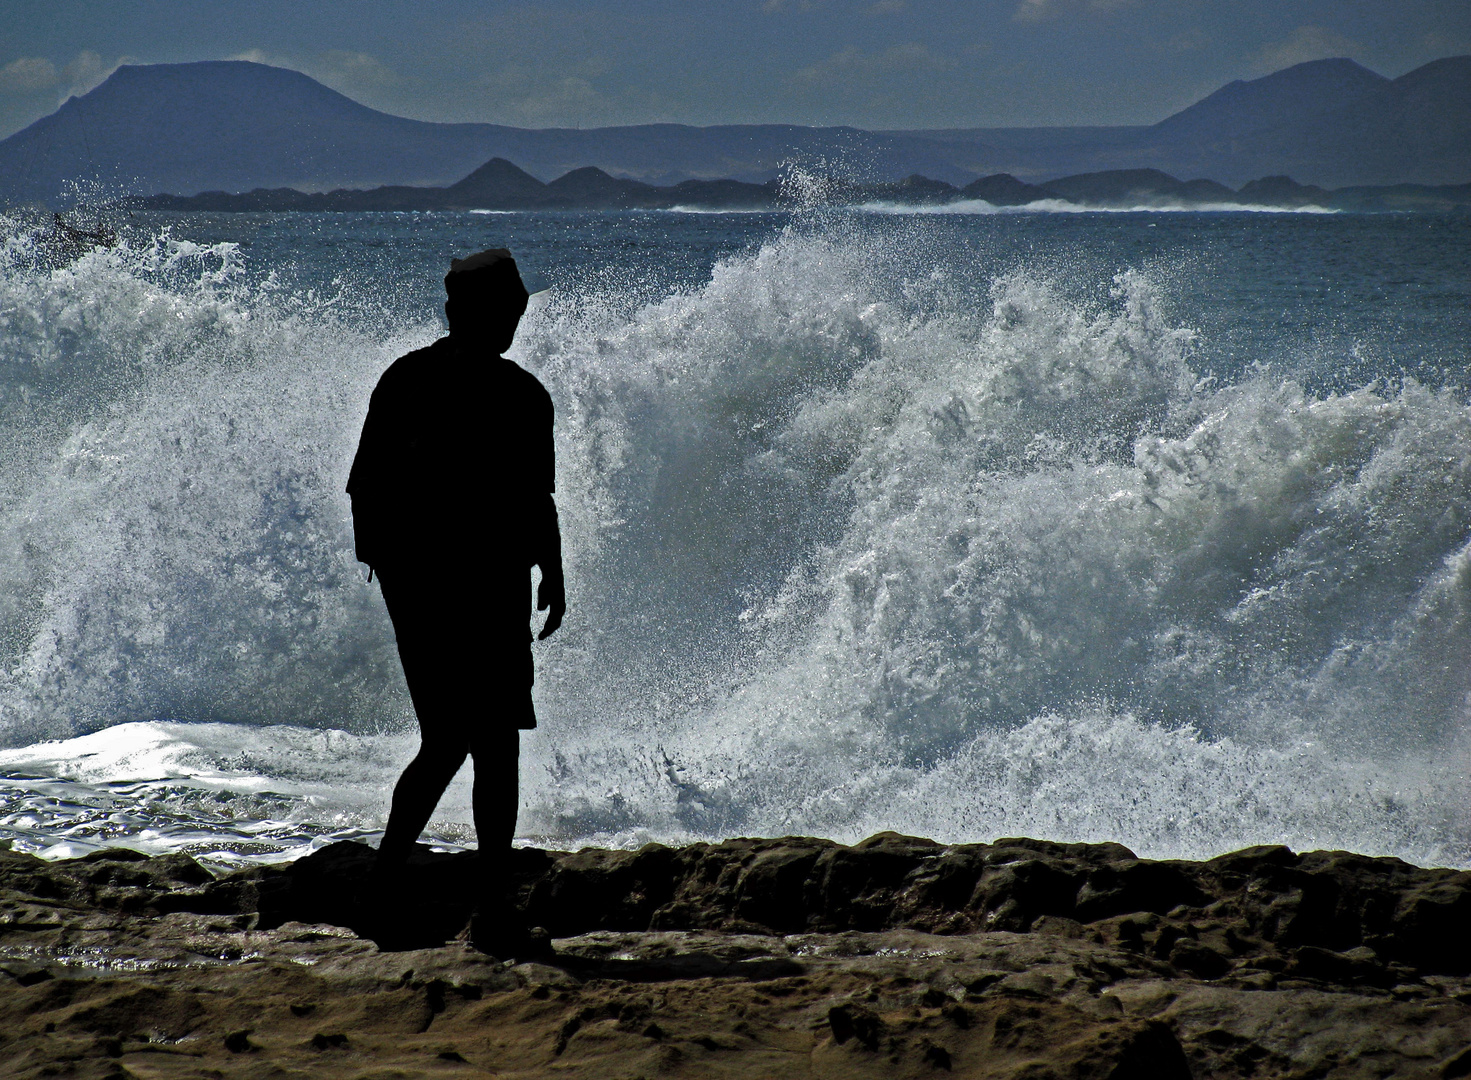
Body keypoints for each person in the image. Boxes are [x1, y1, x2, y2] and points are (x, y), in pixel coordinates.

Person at [346, 248, 565, 955]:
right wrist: (408, 580)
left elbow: (537, 500)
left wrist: (551, 573)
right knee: (474, 742)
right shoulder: (429, 383)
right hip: (456, 591)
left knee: (467, 742)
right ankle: (467, 902)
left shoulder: (495, 389)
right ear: (464, 312)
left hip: (471, 589)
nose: (515, 320)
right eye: (507, 308)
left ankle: (429, 893)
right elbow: (367, 492)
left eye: (519, 309)